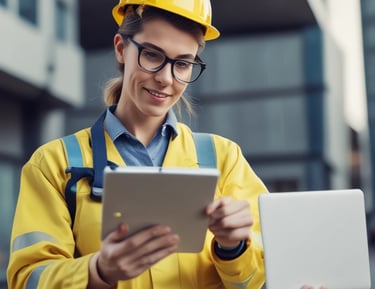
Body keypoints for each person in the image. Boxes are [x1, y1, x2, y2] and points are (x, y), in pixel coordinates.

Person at [6, 1, 329, 289]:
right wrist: (98, 270)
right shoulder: (54, 164)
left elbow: (263, 280)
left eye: (183, 63)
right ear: (121, 48)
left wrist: (233, 247)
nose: (166, 78)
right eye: (152, 55)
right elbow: (28, 278)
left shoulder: (223, 159)